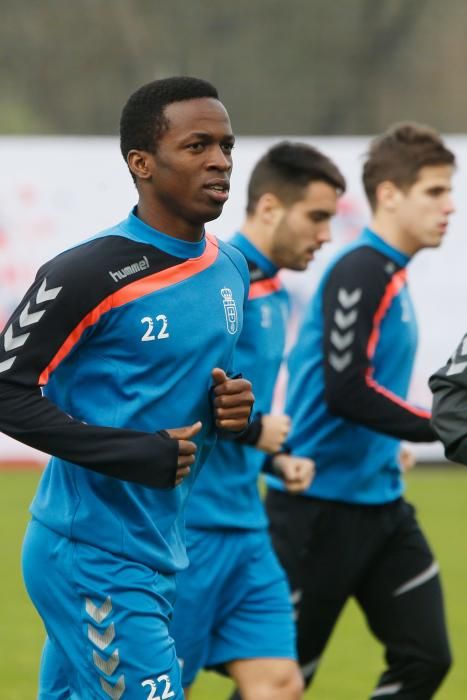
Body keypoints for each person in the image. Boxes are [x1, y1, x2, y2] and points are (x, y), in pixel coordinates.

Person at [0, 76, 254, 700]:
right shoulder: (87, 271)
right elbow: (5, 391)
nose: (220, 161)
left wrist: (235, 408)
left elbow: (195, 388)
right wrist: (132, 452)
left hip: (158, 549)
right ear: (142, 162)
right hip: (90, 554)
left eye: (226, 145)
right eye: (198, 146)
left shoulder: (230, 266)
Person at [265, 122, 455, 699]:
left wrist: (393, 439)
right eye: (434, 192)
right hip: (317, 514)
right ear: (390, 195)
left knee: (426, 659)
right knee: (277, 685)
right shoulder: (360, 269)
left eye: (450, 191)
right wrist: (439, 427)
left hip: (381, 508)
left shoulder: (391, 274)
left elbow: (367, 393)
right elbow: (344, 389)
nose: (450, 206)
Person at [170, 141, 346, 700]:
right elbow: (178, 396)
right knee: (164, 688)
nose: (325, 236)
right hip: (187, 531)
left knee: (279, 684)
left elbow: (242, 406)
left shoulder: (271, 288)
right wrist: (255, 429)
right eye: (316, 217)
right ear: (269, 207)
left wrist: (274, 459)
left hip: (247, 528)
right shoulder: (213, 278)